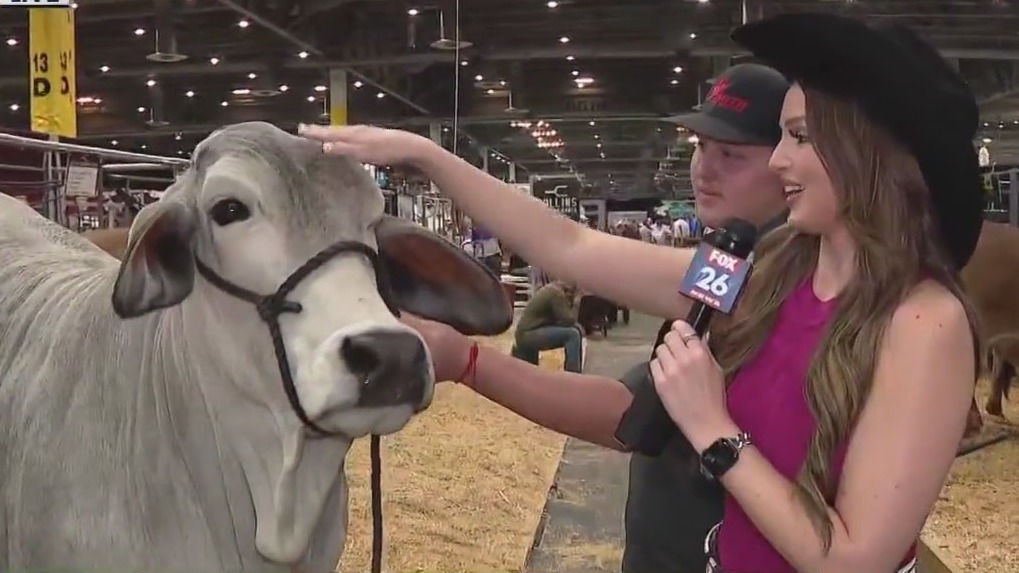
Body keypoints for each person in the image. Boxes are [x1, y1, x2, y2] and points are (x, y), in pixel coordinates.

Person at [299, 61, 792, 573]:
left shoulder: (777, 282)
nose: (704, 169)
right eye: (700, 146)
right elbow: (634, 414)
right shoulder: (730, 262)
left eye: (731, 154)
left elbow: (569, 247)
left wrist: (425, 154)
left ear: (790, 164)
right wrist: (468, 362)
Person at [650, 13, 982, 573]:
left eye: (799, 136)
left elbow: (855, 562)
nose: (778, 159)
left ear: (868, 151)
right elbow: (573, 248)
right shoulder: (775, 270)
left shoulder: (926, 322)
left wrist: (713, 429)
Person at [511, 279, 584, 373]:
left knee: (576, 330)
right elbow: (569, 321)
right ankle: (573, 375)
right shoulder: (556, 293)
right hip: (528, 335)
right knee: (573, 334)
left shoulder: (552, 289)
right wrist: (577, 302)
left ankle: (575, 372)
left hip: (526, 333)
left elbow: (563, 320)